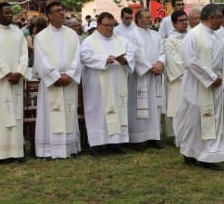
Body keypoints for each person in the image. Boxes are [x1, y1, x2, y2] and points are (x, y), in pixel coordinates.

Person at [175, 3, 224, 170]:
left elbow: (223, 61)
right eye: (220, 17)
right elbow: (190, 61)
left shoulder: (216, 35)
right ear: (211, 17)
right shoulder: (193, 36)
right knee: (194, 121)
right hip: (197, 85)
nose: (222, 20)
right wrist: (211, 77)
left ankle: (209, 156)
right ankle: (190, 152)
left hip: (216, 85)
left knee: (213, 120)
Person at [32, 1, 82, 159]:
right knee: (51, 114)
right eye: (58, 11)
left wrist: (70, 75)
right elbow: (41, 60)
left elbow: (77, 57)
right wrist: (55, 77)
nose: (62, 13)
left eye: (62, 10)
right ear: (49, 16)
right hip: (51, 85)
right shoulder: (41, 37)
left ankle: (69, 148)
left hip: (68, 81)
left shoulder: (72, 34)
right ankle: (49, 150)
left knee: (68, 112)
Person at [80, 12, 133, 154]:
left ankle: (115, 143)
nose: (110, 28)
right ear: (98, 25)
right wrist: (104, 59)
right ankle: (96, 144)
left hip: (117, 83)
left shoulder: (122, 41)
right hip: (97, 85)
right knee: (97, 112)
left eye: (112, 25)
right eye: (106, 25)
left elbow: (131, 55)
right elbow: (85, 57)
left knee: (117, 109)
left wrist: (125, 60)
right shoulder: (89, 42)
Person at [0, 2, 28, 162]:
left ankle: (17, 152)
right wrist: (7, 73)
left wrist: (19, 72)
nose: (10, 15)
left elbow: (24, 54)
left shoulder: (18, 32)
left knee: (16, 115)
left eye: (11, 12)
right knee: (0, 115)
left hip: (16, 79)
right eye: (6, 13)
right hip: (0, 81)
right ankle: (0, 153)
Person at [128, 8, 166, 149]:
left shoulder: (156, 35)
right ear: (138, 19)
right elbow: (135, 54)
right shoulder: (132, 35)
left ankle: (154, 136)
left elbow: (163, 50)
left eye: (150, 17)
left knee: (154, 106)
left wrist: (160, 63)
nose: (151, 19)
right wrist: (150, 67)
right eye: (147, 17)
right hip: (140, 77)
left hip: (154, 76)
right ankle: (139, 138)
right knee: (139, 106)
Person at [163, 8, 188, 142]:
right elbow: (173, 61)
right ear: (174, 24)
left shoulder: (192, 37)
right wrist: (189, 70)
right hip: (178, 79)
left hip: (192, 79)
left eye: (186, 20)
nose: (184, 23)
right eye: (181, 21)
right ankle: (178, 137)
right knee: (177, 108)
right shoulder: (170, 41)